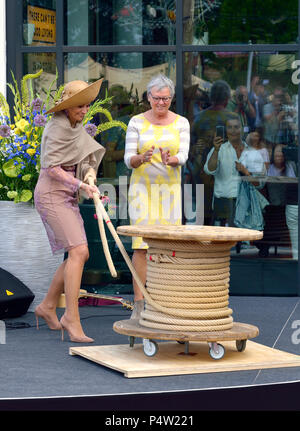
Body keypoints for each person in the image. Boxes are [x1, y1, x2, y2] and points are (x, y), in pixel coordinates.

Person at [34, 79, 105, 342]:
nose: (85, 111)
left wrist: (89, 176)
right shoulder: (56, 128)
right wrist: (80, 185)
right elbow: (51, 167)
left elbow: (86, 159)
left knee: (77, 254)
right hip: (51, 195)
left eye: (87, 106)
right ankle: (71, 318)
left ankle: (48, 306)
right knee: (80, 251)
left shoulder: (75, 128)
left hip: (68, 196)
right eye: (80, 106)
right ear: (68, 106)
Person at [124, 74, 190, 319]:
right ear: (148, 97)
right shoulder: (136, 122)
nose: (161, 103)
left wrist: (170, 160)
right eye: (157, 98)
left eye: (166, 98)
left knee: (169, 246)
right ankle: (140, 304)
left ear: (171, 98)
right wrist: (140, 158)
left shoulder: (181, 122)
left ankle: (165, 301)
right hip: (142, 191)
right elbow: (127, 159)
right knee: (141, 246)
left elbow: (183, 155)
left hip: (169, 192)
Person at [190, 80, 234, 224]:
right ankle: (221, 243)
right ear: (227, 99)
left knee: (204, 211)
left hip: (202, 170)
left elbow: (192, 143)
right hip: (224, 170)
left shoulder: (199, 118)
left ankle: (205, 244)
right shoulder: (233, 118)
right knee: (224, 212)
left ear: (211, 98)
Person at [204, 115, 246, 226]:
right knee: (223, 240)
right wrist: (216, 150)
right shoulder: (219, 149)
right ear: (225, 130)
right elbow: (209, 170)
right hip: (223, 202)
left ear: (242, 128)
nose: (233, 131)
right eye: (230, 127)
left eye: (236, 127)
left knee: (243, 240)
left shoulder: (249, 150)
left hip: (244, 203)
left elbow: (260, 178)